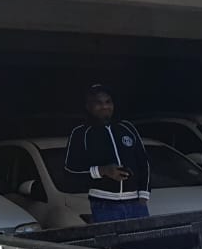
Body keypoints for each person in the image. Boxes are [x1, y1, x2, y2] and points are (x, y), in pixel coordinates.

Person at [64, 85, 150, 223]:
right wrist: (102, 170)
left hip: (136, 204)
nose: (104, 106)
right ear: (88, 106)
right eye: (98, 103)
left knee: (143, 244)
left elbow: (144, 162)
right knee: (113, 245)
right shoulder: (81, 133)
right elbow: (70, 171)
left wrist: (143, 195)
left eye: (108, 102)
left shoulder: (127, 128)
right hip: (104, 206)